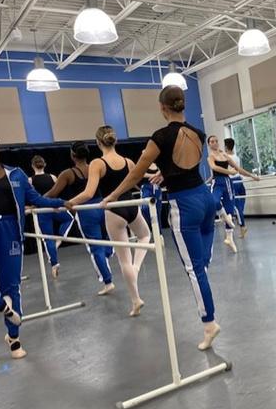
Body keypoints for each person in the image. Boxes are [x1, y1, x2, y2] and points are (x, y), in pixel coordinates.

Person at [101, 85, 221, 350]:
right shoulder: (199, 133)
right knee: (201, 264)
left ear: (162, 107)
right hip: (206, 198)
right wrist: (164, 173)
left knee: (194, 269)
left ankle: (209, 323)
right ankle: (206, 300)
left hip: (185, 205)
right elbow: (186, 163)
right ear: (183, 104)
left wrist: (113, 195)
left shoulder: (160, 136)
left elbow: (136, 173)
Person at [0, 132, 69, 359]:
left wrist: (63, 202)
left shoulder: (17, 174)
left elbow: (36, 199)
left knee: (11, 286)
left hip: (9, 231)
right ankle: (2, 305)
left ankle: (14, 339)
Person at [69, 126, 150, 317]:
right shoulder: (128, 161)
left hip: (114, 210)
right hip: (131, 206)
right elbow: (135, 183)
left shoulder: (97, 163)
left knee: (124, 260)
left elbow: (89, 193)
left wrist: (68, 203)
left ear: (98, 143)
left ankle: (136, 299)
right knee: (145, 236)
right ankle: (136, 268)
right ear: (115, 140)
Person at [44, 142, 115, 295]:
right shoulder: (97, 167)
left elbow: (53, 193)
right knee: (107, 241)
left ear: (72, 155)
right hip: (103, 206)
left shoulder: (68, 174)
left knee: (95, 248)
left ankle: (108, 282)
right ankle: (106, 257)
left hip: (85, 210)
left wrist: (36, 201)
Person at [207, 135, 259, 253]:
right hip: (217, 182)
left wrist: (251, 176)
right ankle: (223, 216)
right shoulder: (210, 157)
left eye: (216, 141)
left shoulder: (225, 155)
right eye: (212, 141)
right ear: (209, 144)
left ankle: (229, 237)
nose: (215, 143)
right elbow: (214, 167)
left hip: (228, 183)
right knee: (214, 201)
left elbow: (238, 169)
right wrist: (229, 171)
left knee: (230, 210)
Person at [30, 155, 75, 278]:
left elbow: (32, 196)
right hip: (53, 207)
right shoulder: (52, 177)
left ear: (33, 166)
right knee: (70, 218)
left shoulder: (30, 180)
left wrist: (32, 206)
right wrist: (55, 202)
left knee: (47, 238)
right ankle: (60, 238)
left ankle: (54, 264)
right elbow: (56, 191)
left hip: (42, 210)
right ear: (44, 164)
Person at [223, 138, 250, 237]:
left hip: (233, 182)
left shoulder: (226, 157)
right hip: (239, 180)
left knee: (237, 207)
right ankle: (240, 224)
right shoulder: (236, 157)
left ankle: (242, 226)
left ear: (226, 147)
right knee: (239, 207)